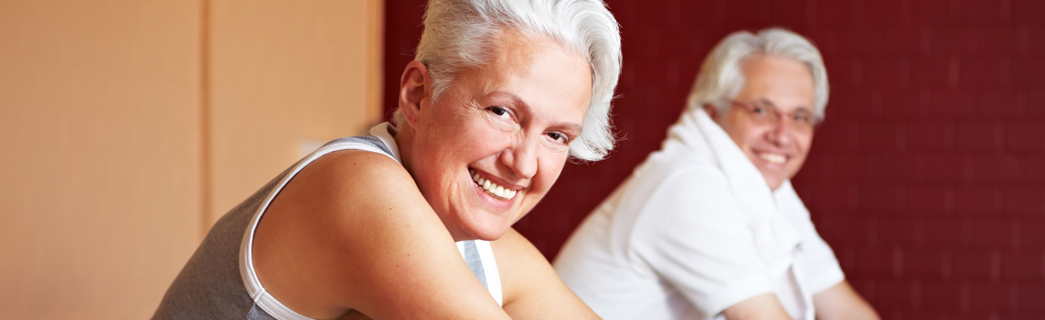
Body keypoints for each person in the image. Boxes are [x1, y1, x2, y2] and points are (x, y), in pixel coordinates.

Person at [153, 0, 620, 318]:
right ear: (417, 95)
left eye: (556, 136)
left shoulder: (480, 248)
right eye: (502, 112)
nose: (525, 165)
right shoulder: (360, 187)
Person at [553, 28, 879, 320]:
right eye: (761, 110)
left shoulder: (769, 194)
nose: (782, 136)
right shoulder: (687, 185)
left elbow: (847, 311)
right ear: (714, 113)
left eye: (799, 117)